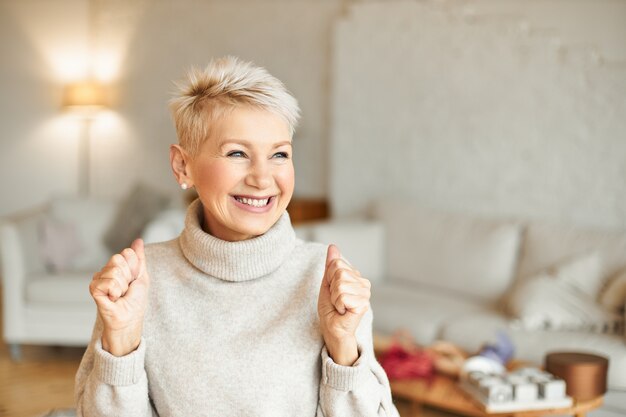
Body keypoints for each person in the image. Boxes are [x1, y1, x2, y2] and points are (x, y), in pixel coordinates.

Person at [75, 56, 399, 417]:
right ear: (183, 165)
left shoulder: (326, 279)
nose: (262, 178)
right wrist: (120, 340)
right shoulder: (140, 282)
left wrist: (343, 346)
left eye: (279, 154)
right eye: (237, 153)